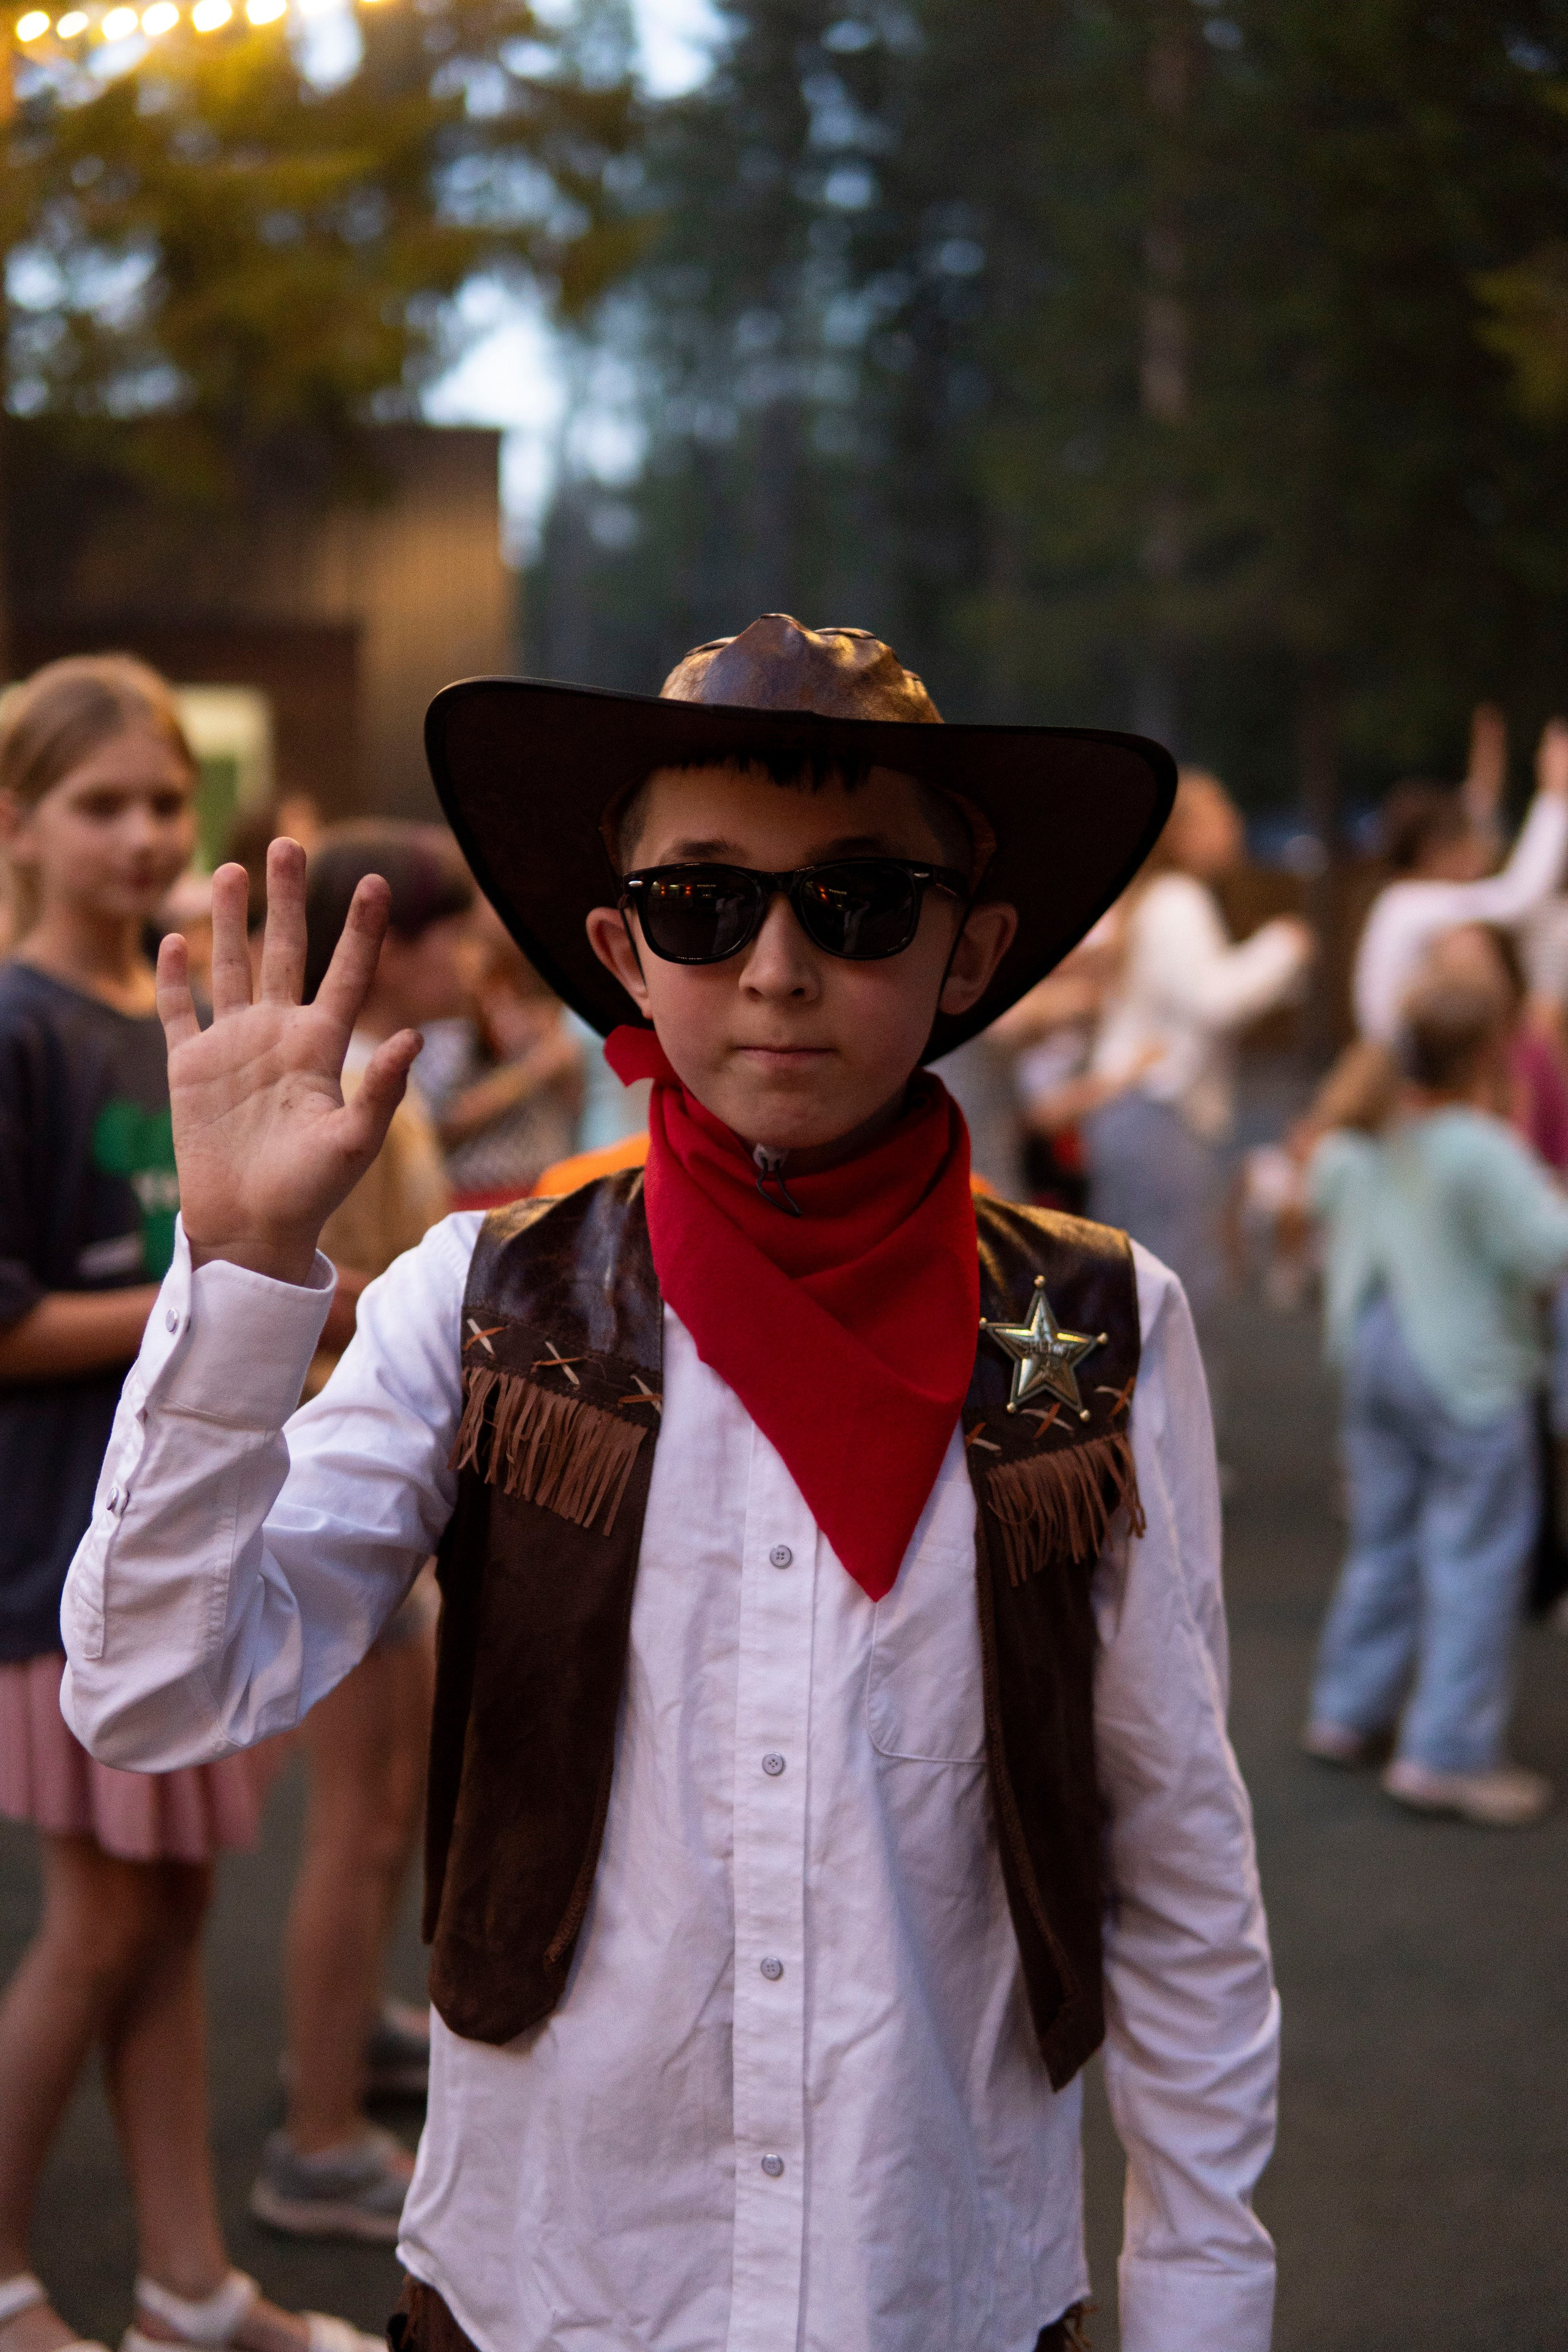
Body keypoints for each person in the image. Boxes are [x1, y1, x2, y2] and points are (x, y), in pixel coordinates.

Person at [60, 617, 1280, 2352]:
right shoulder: (483, 1296)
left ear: (972, 946)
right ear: (623, 949)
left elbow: (1174, 1853)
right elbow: (152, 1693)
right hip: (556, 2285)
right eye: (709, 907)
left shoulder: (1097, 1323)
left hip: (929, 2280)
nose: (778, 967)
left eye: (858, 905)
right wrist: (249, 1267)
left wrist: (1203, 2295)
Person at [0, 655, 375, 2352]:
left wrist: (273, 1286)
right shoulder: (16, 1029)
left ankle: (185, 2288)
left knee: (175, 1910)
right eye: (103, 803)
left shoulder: (185, 1027)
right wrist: (230, 1291)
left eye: (166, 799)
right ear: (19, 823)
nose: (144, 830)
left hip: (188, 1540)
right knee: (99, 1924)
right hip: (53, 1551)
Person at [251, 824, 477, 2245]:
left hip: (378, 1477)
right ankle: (314, 2131)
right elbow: (305, 1288)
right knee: (359, 1819)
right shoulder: (340, 1096)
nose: (471, 953)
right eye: (444, 930)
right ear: (377, 943)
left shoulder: (387, 1081)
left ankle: (351, 2047)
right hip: (342, 1477)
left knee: (391, 1807)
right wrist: (440, 1282)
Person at [1303, 975, 1568, 1826]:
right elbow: (1546, 1245)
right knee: (1478, 1554)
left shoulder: (1367, 1134)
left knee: (1385, 1540)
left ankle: (1348, 1709)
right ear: (1495, 1053)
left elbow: (1319, 1195)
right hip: (1462, 1369)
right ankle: (1445, 1753)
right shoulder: (1476, 1146)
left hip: (1375, 1352)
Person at [1083, 767, 1313, 1331]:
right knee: (1172, 1293)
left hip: (1139, 1112)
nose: (1233, 825)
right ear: (1184, 831)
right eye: (1220, 814)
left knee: (1139, 1284)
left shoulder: (1158, 899)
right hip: (1158, 1112)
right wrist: (1284, 947)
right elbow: (1215, 1001)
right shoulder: (1177, 900)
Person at [1351, 714, 1568, 1045]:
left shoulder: (1405, 902)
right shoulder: (1410, 905)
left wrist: (1486, 779)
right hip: (1411, 1073)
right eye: (1467, 843)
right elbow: (1519, 898)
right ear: (1432, 852)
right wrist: (1554, 796)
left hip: (1408, 1066)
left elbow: (1471, 817)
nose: (1480, 854)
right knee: (1470, 943)